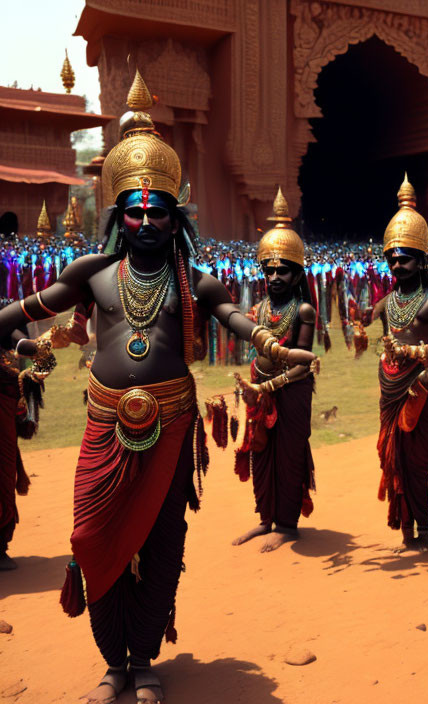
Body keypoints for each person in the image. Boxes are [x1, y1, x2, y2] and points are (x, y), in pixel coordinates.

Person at [0, 69, 315, 704]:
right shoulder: (90, 272)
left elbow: (235, 319)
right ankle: (110, 662)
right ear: (120, 216)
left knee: (162, 541)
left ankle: (140, 661)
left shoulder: (197, 281)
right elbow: (25, 311)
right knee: (91, 537)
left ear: (176, 220)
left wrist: (269, 342)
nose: (146, 219)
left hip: (170, 426)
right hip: (104, 423)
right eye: (135, 210)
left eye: (158, 211)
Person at [368, 175, 428, 552]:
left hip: (422, 386)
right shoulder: (385, 303)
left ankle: (422, 525)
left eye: (404, 256)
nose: (396, 262)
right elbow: (374, 334)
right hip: (390, 387)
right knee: (391, 456)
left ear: (421, 258)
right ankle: (404, 524)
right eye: (391, 256)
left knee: (418, 457)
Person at [232, 188, 319, 552]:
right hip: (261, 387)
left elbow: (303, 360)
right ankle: (265, 518)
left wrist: (273, 384)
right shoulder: (262, 308)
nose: (276, 276)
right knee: (261, 452)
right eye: (270, 270)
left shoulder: (304, 312)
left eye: (284, 270)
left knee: (288, 454)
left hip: (291, 391)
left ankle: (287, 524)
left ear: (298, 274)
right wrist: (257, 383)